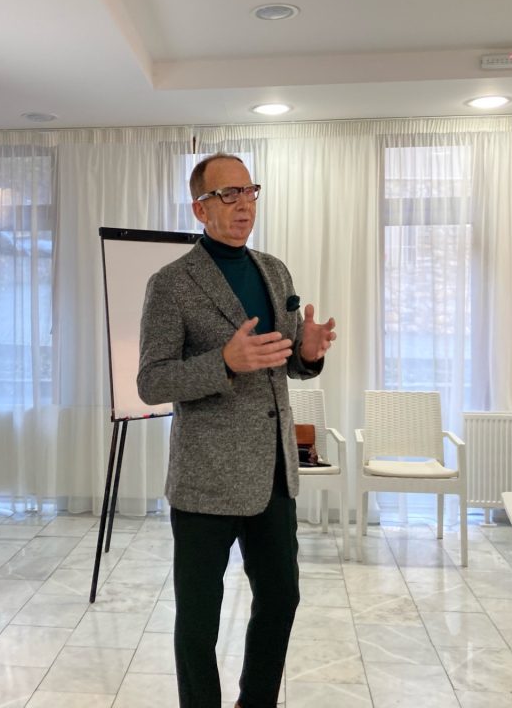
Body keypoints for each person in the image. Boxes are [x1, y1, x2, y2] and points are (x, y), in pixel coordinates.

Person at [137, 153, 337, 708]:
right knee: (199, 621)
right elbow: (152, 382)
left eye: (249, 190)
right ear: (200, 209)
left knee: (281, 600)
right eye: (228, 194)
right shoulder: (171, 284)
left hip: (273, 474)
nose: (243, 203)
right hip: (206, 480)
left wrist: (308, 353)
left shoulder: (274, 270)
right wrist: (222, 362)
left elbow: (283, 364)